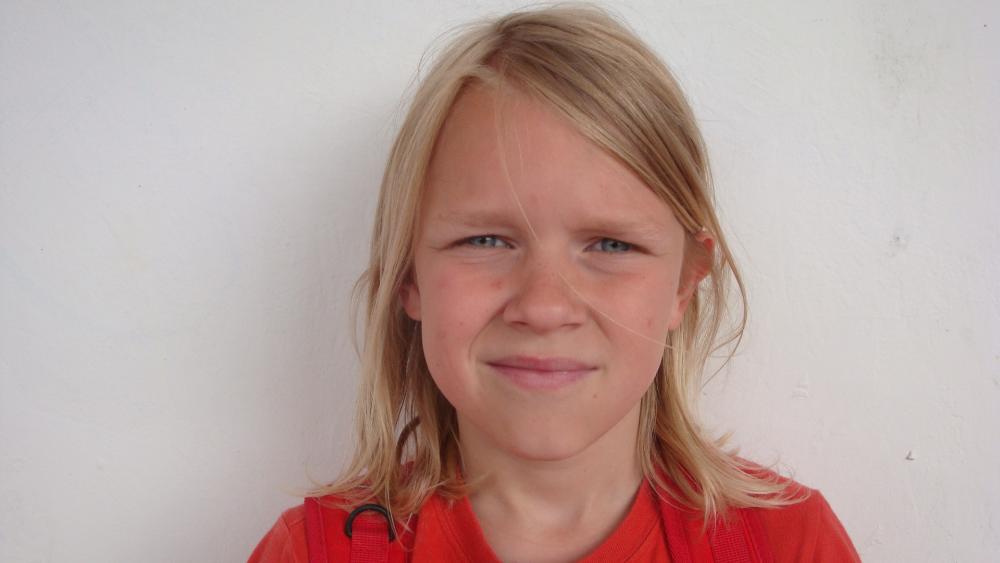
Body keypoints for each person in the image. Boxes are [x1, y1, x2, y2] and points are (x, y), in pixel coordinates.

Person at [249, 4, 861, 562]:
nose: (543, 308)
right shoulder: (312, 553)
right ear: (408, 275)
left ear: (683, 284)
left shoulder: (789, 546)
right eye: (485, 241)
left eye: (611, 245)